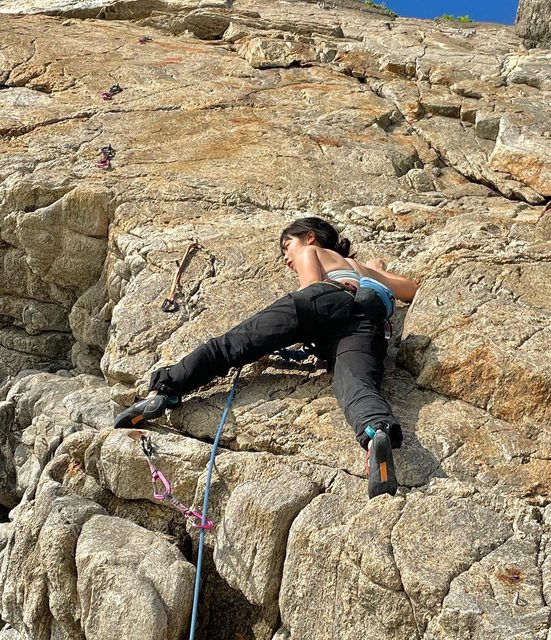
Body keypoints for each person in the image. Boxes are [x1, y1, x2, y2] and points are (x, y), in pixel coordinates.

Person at [114, 217, 419, 498]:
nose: (287, 258)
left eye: (287, 246)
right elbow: (410, 290)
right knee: (357, 384)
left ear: (310, 237)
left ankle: (163, 390)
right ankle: (375, 433)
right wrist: (376, 269)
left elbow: (311, 288)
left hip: (323, 298)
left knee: (228, 347)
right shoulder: (360, 268)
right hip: (366, 320)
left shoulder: (310, 251)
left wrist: (295, 330)